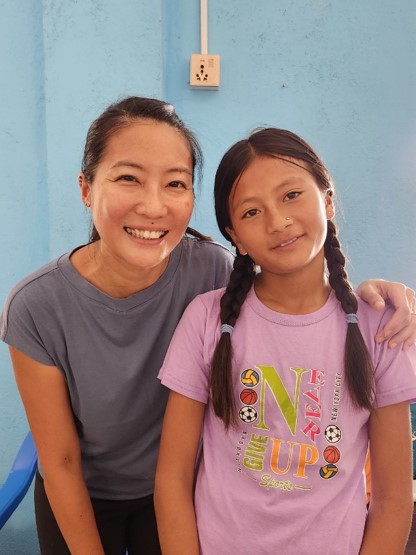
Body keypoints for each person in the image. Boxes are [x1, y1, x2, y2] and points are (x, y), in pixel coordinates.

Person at [0, 99, 414, 555]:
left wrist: (377, 295)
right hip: (87, 490)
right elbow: (59, 461)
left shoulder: (211, 272)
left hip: (185, 494)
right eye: (127, 178)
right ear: (86, 188)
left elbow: (293, 294)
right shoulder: (37, 305)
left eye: (175, 183)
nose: (153, 205)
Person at [155, 128, 416, 554]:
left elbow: (391, 498)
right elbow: (171, 479)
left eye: (292, 195)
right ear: (233, 235)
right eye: (252, 212)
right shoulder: (206, 318)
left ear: (327, 199)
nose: (278, 222)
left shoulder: (379, 327)